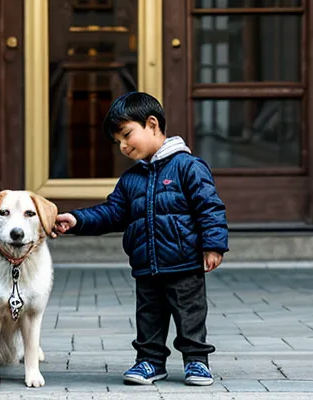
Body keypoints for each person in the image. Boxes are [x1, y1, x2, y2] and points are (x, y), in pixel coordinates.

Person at [53, 91, 229, 386]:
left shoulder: (188, 167)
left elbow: (210, 207)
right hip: (147, 266)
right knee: (149, 316)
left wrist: (212, 245)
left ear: (152, 124)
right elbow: (112, 213)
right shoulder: (131, 179)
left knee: (190, 314)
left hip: (185, 262)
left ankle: (196, 361)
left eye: (126, 135)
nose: (122, 146)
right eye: (118, 141)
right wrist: (78, 220)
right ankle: (149, 361)